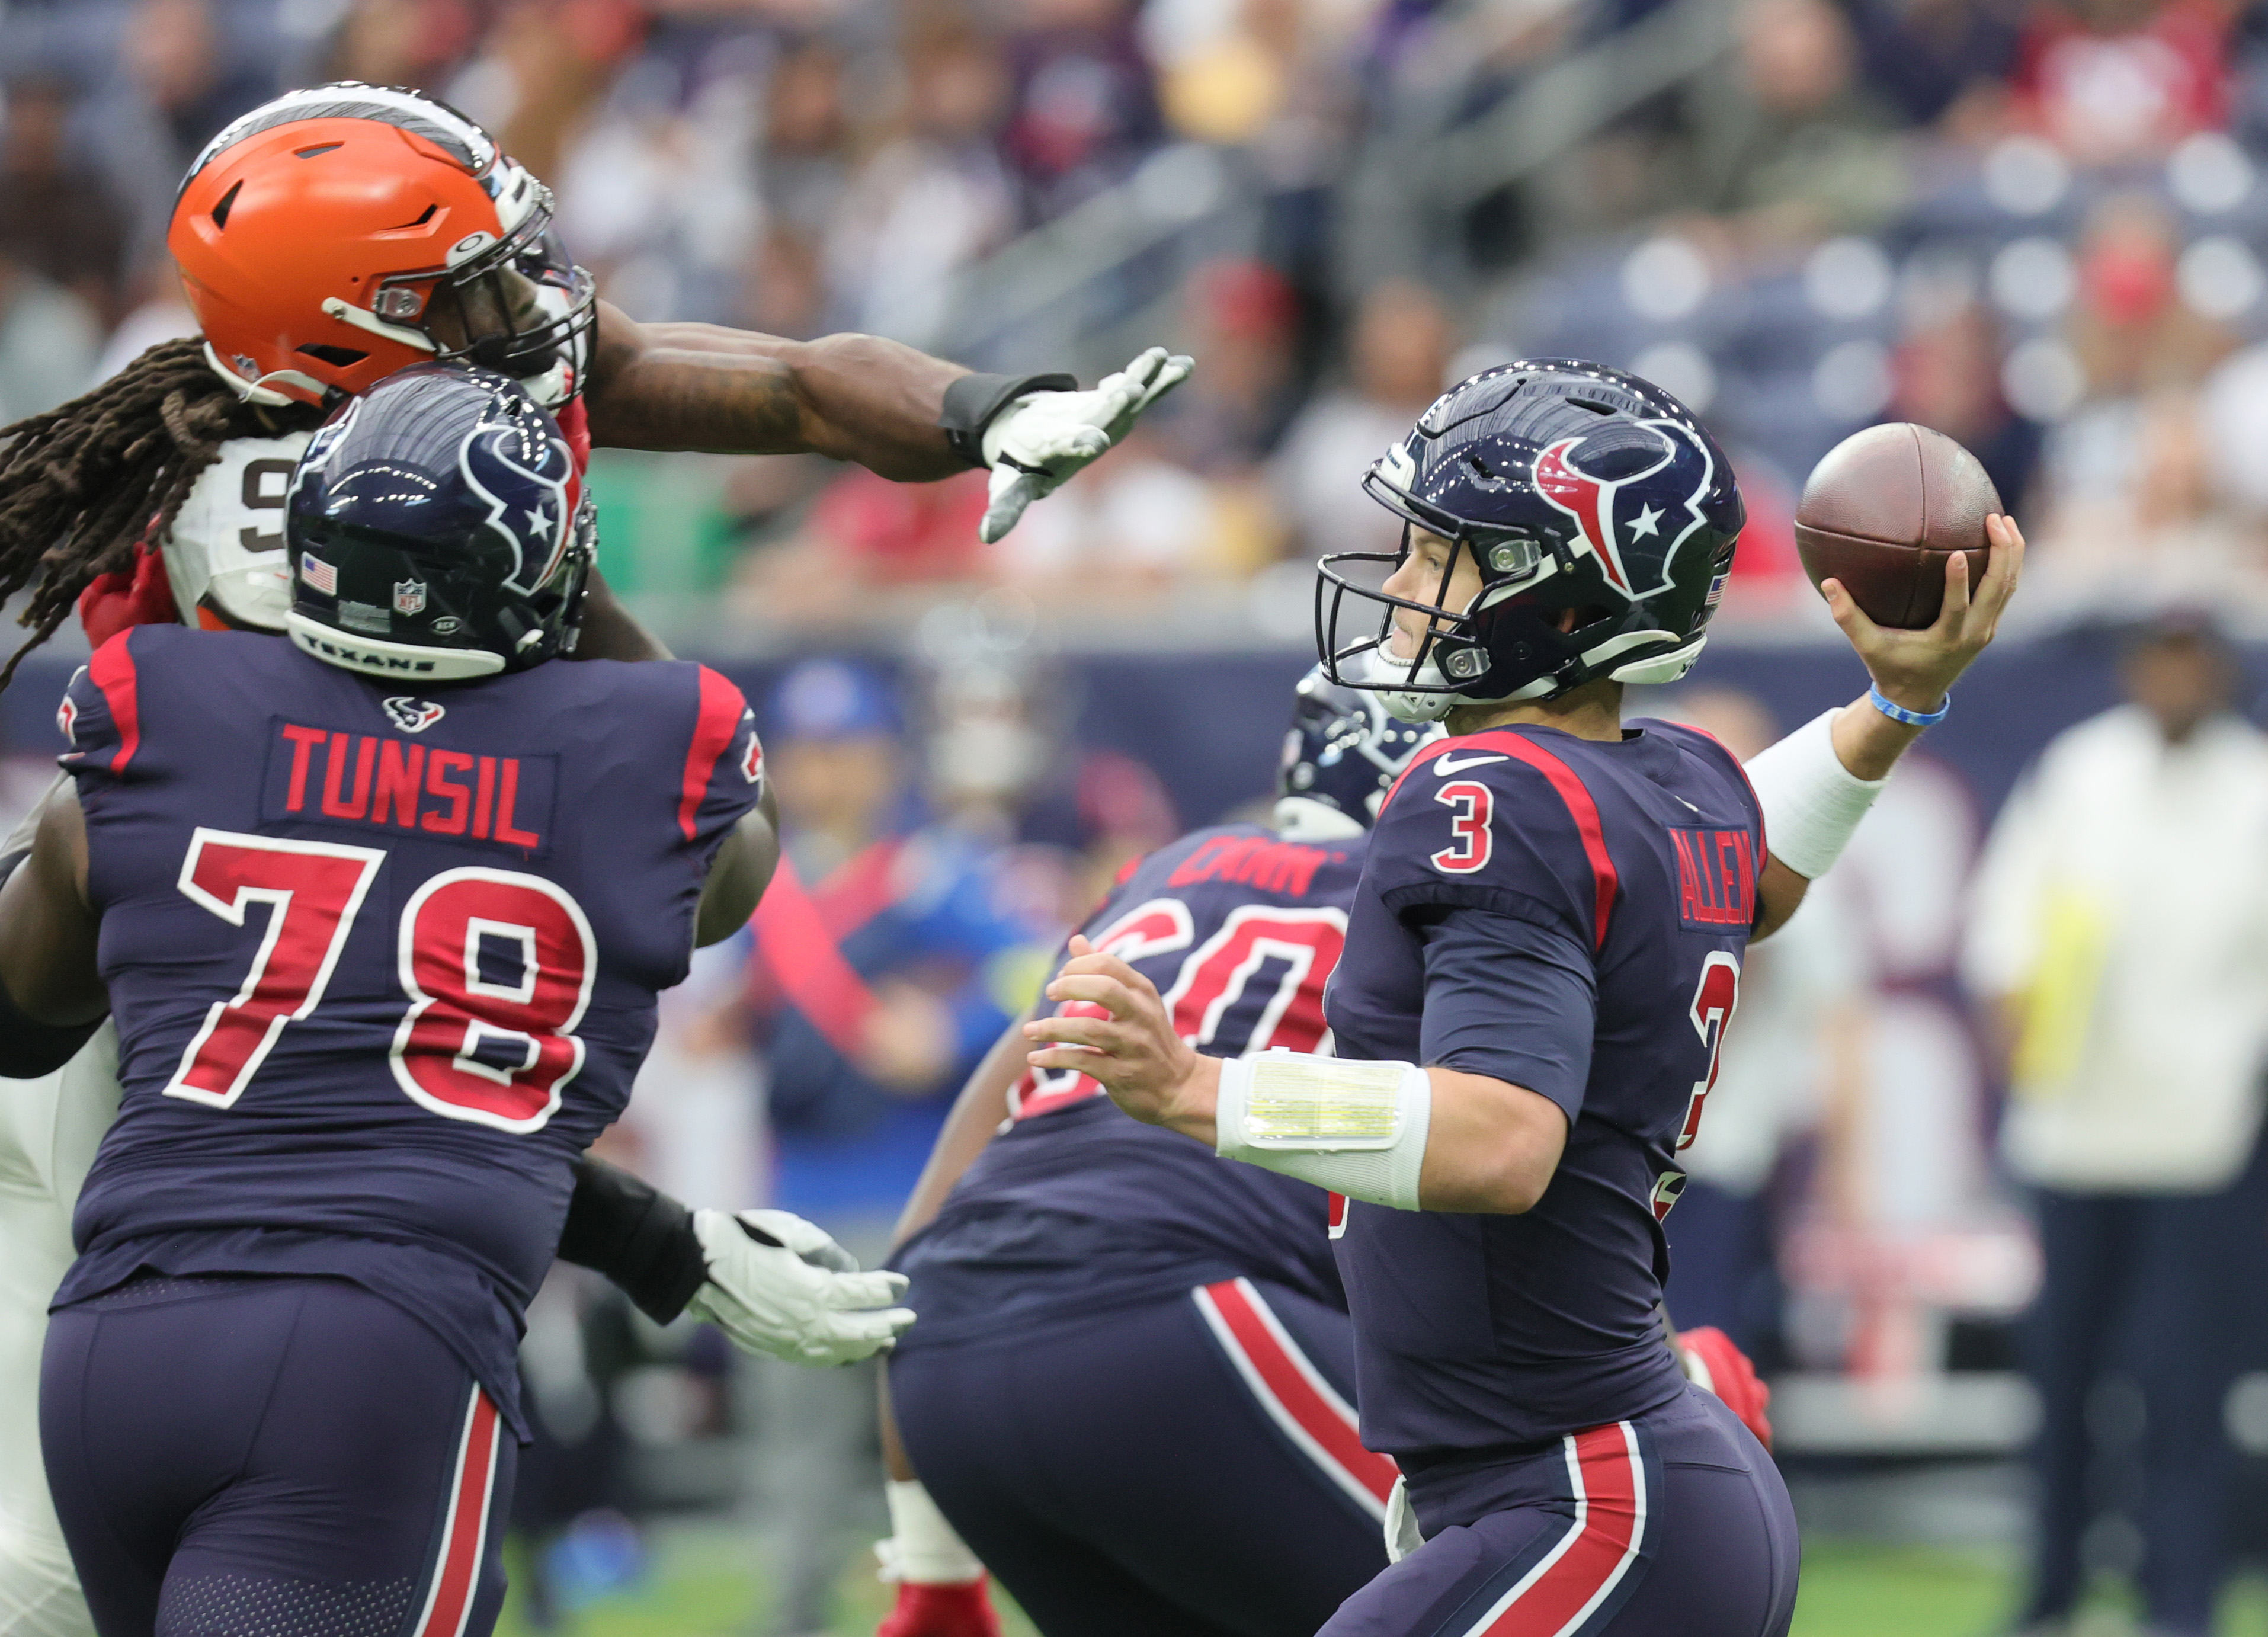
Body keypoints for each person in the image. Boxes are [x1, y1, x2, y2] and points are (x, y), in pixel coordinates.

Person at [0, 81, 1188, 1633]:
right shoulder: (270, 533)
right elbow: (364, 1025)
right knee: (51, 1588)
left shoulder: (442, 410)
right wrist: (661, 1243)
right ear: (344, 351)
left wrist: (986, 413)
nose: (533, 301)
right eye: (467, 284)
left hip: (268, 1009)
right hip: (183, 1000)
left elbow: (789, 392)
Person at [1023, 360, 2022, 1635]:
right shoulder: (1672, 783)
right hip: (1608, 1485)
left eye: (1445, 556)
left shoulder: (1492, 787)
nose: (1399, 585)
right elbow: (1755, 865)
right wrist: (1900, 701)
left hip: (1585, 1495)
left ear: (1561, 596)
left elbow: (1502, 1139)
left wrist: (1194, 1085)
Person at [0, 363, 914, 1636]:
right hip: (372, 1353)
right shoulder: (630, 756)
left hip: (114, 1344)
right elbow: (738, 849)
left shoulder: (156, 707)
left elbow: (23, 1013)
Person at [876, 672, 1435, 1637]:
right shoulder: (1437, 894)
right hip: (1171, 1316)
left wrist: (929, 1561)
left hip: (944, 1349)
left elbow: (950, 1175)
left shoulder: (1170, 866)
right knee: (1535, 1587)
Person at [1963, 611, 2268, 1637]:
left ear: (2217, 676)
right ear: (2138, 672)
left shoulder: (2254, 787)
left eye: (2194, 664)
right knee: (2064, 1376)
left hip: (2203, 1133)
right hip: (2073, 1124)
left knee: (2187, 1385)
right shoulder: (2081, 771)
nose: (2175, 682)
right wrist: (2008, 999)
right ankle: (2050, 1588)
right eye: (2160, 663)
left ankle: (2179, 1599)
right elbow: (2009, 908)